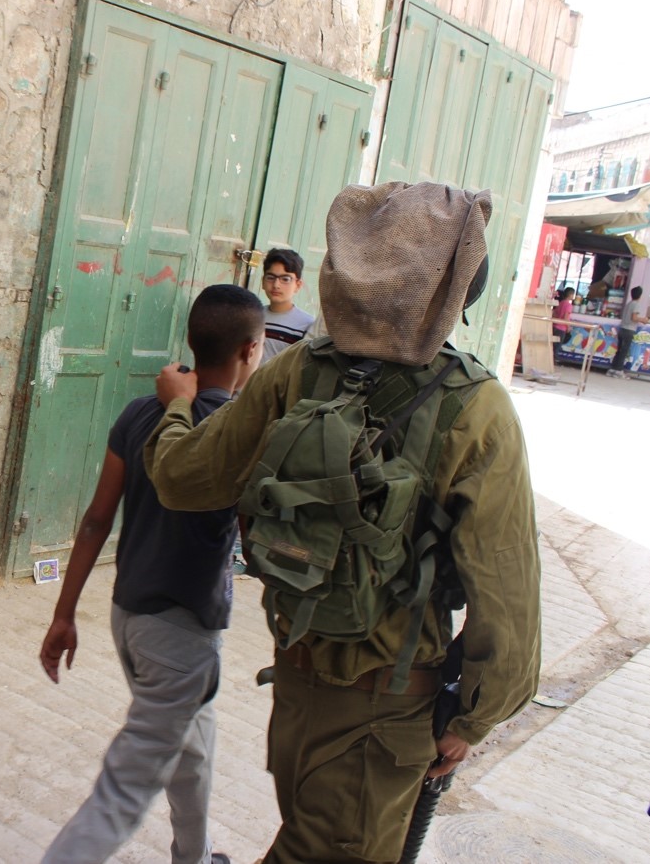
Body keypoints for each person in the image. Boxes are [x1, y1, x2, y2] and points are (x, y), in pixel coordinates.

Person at [145, 182, 541, 864]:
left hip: (296, 688)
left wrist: (179, 407)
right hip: (387, 712)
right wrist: (476, 715)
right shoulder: (475, 408)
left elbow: (182, 479)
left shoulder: (298, 370)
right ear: (457, 289)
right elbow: (506, 600)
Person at [39, 285, 265, 864]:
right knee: (123, 792)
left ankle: (195, 856)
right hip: (180, 635)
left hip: (129, 618)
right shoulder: (240, 429)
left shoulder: (141, 412)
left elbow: (95, 520)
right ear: (250, 350)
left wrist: (64, 614)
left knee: (192, 747)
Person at [259, 247, 315, 362]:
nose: (276, 285)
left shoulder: (306, 325)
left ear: (298, 285)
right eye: (270, 277)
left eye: (285, 279)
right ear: (263, 282)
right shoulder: (253, 316)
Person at [607, 286, 644, 377]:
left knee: (619, 351)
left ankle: (612, 369)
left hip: (622, 329)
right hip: (629, 330)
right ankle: (618, 371)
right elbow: (634, 318)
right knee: (623, 351)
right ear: (640, 295)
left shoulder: (629, 303)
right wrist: (643, 320)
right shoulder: (636, 304)